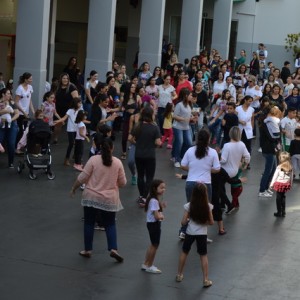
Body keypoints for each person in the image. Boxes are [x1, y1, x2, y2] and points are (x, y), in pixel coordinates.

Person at [70, 134, 126, 262]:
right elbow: (123, 183)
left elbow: (82, 178)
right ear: (112, 148)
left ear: (100, 147)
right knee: (110, 224)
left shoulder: (93, 160)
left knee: (89, 223)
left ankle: (87, 250)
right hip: (109, 199)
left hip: (92, 196)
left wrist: (73, 188)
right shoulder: (117, 162)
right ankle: (113, 249)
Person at [179, 129, 220, 239]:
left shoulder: (190, 150)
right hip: (206, 184)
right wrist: (207, 169)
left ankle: (184, 231)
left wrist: (192, 169)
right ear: (209, 139)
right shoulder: (212, 152)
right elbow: (217, 169)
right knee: (205, 208)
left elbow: (182, 165)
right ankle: (202, 233)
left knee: (190, 207)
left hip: (191, 182)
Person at [175, 183, 214, 288]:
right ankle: (205, 279)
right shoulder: (208, 206)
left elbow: (183, 222)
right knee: (203, 255)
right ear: (205, 193)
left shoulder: (189, 205)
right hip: (202, 234)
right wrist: (203, 222)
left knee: (184, 252)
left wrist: (188, 220)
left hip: (190, 232)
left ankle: (179, 274)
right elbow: (211, 222)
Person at [129, 106, 161, 206]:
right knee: (149, 177)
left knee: (140, 176)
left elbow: (130, 138)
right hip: (150, 156)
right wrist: (155, 145)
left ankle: (141, 195)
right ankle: (144, 197)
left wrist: (137, 143)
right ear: (151, 115)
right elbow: (158, 142)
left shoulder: (138, 126)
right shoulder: (155, 127)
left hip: (138, 155)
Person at [141, 179, 166, 274]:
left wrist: (161, 208)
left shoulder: (152, 199)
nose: (164, 189)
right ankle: (150, 265)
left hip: (150, 224)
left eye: (164, 187)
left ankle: (146, 263)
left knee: (152, 244)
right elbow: (156, 216)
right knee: (155, 245)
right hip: (154, 224)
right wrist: (161, 216)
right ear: (155, 188)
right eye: (161, 187)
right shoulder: (154, 201)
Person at [53, 97, 82, 166]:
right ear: (75, 104)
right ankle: (66, 159)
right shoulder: (70, 110)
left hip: (76, 129)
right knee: (71, 143)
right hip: (70, 129)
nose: (80, 104)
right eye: (79, 103)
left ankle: (75, 156)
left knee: (77, 143)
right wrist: (57, 121)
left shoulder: (79, 111)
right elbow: (64, 118)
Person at [172, 88, 194, 167]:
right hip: (178, 127)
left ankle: (180, 157)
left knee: (189, 143)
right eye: (190, 95)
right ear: (186, 96)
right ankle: (176, 160)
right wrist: (184, 119)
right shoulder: (179, 104)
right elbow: (174, 116)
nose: (192, 96)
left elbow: (188, 114)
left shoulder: (189, 104)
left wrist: (192, 117)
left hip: (186, 127)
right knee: (180, 142)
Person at [258, 107, 277, 197]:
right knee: (268, 170)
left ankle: (266, 188)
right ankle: (262, 190)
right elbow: (271, 137)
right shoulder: (265, 125)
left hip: (271, 148)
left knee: (273, 169)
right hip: (268, 149)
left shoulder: (267, 124)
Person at [270, 151, 293, 217]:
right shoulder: (290, 167)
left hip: (279, 184)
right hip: (285, 184)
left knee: (278, 198)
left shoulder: (279, 167)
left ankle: (279, 211)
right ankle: (283, 211)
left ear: (281, 158)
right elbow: (291, 177)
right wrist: (290, 184)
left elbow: (275, 176)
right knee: (283, 196)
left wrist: (271, 184)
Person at [0, 88, 19, 168]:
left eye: (10, 93)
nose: (10, 95)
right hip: (1, 125)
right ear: (3, 94)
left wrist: (10, 120)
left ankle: (11, 162)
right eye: (8, 93)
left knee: (11, 143)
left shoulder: (12, 103)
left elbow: (17, 113)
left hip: (12, 124)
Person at [14, 72, 35, 143]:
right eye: (30, 79)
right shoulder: (20, 88)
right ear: (25, 79)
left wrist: (33, 111)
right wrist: (23, 112)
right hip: (20, 113)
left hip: (26, 112)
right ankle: (15, 147)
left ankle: (19, 146)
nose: (31, 80)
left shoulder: (30, 87)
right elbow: (16, 102)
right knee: (20, 131)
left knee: (25, 130)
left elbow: (29, 100)